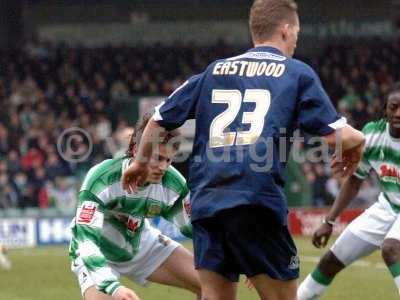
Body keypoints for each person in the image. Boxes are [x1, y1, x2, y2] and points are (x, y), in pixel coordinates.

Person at [121, 1, 365, 299]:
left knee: (214, 296)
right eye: (296, 36)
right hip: (255, 199)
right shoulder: (296, 73)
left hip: (207, 202)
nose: (295, 44)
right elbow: (339, 137)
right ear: (286, 31)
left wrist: (140, 163)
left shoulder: (213, 71)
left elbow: (158, 120)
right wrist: (359, 143)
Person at [69, 115, 201, 300]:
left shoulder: (173, 184)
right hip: (98, 251)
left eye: (168, 160)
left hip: (140, 243)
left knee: (212, 283)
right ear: (136, 150)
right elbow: (86, 242)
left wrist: (246, 261)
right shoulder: (101, 179)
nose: (163, 167)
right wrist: (113, 288)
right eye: (158, 158)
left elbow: (198, 229)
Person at [298, 84, 400, 299]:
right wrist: (329, 221)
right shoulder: (372, 135)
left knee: (391, 248)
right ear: (385, 110)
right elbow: (355, 180)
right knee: (331, 260)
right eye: (394, 107)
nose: (398, 113)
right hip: (388, 207)